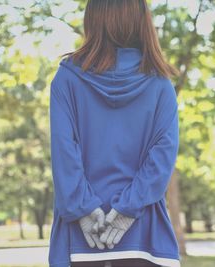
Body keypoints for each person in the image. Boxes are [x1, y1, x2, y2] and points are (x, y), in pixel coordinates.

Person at [48, 0, 181, 266]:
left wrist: (84, 209)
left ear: (93, 20)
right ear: (142, 21)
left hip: (80, 239)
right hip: (146, 239)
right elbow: (162, 157)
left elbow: (64, 152)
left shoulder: (66, 80)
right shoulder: (160, 84)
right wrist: (126, 208)